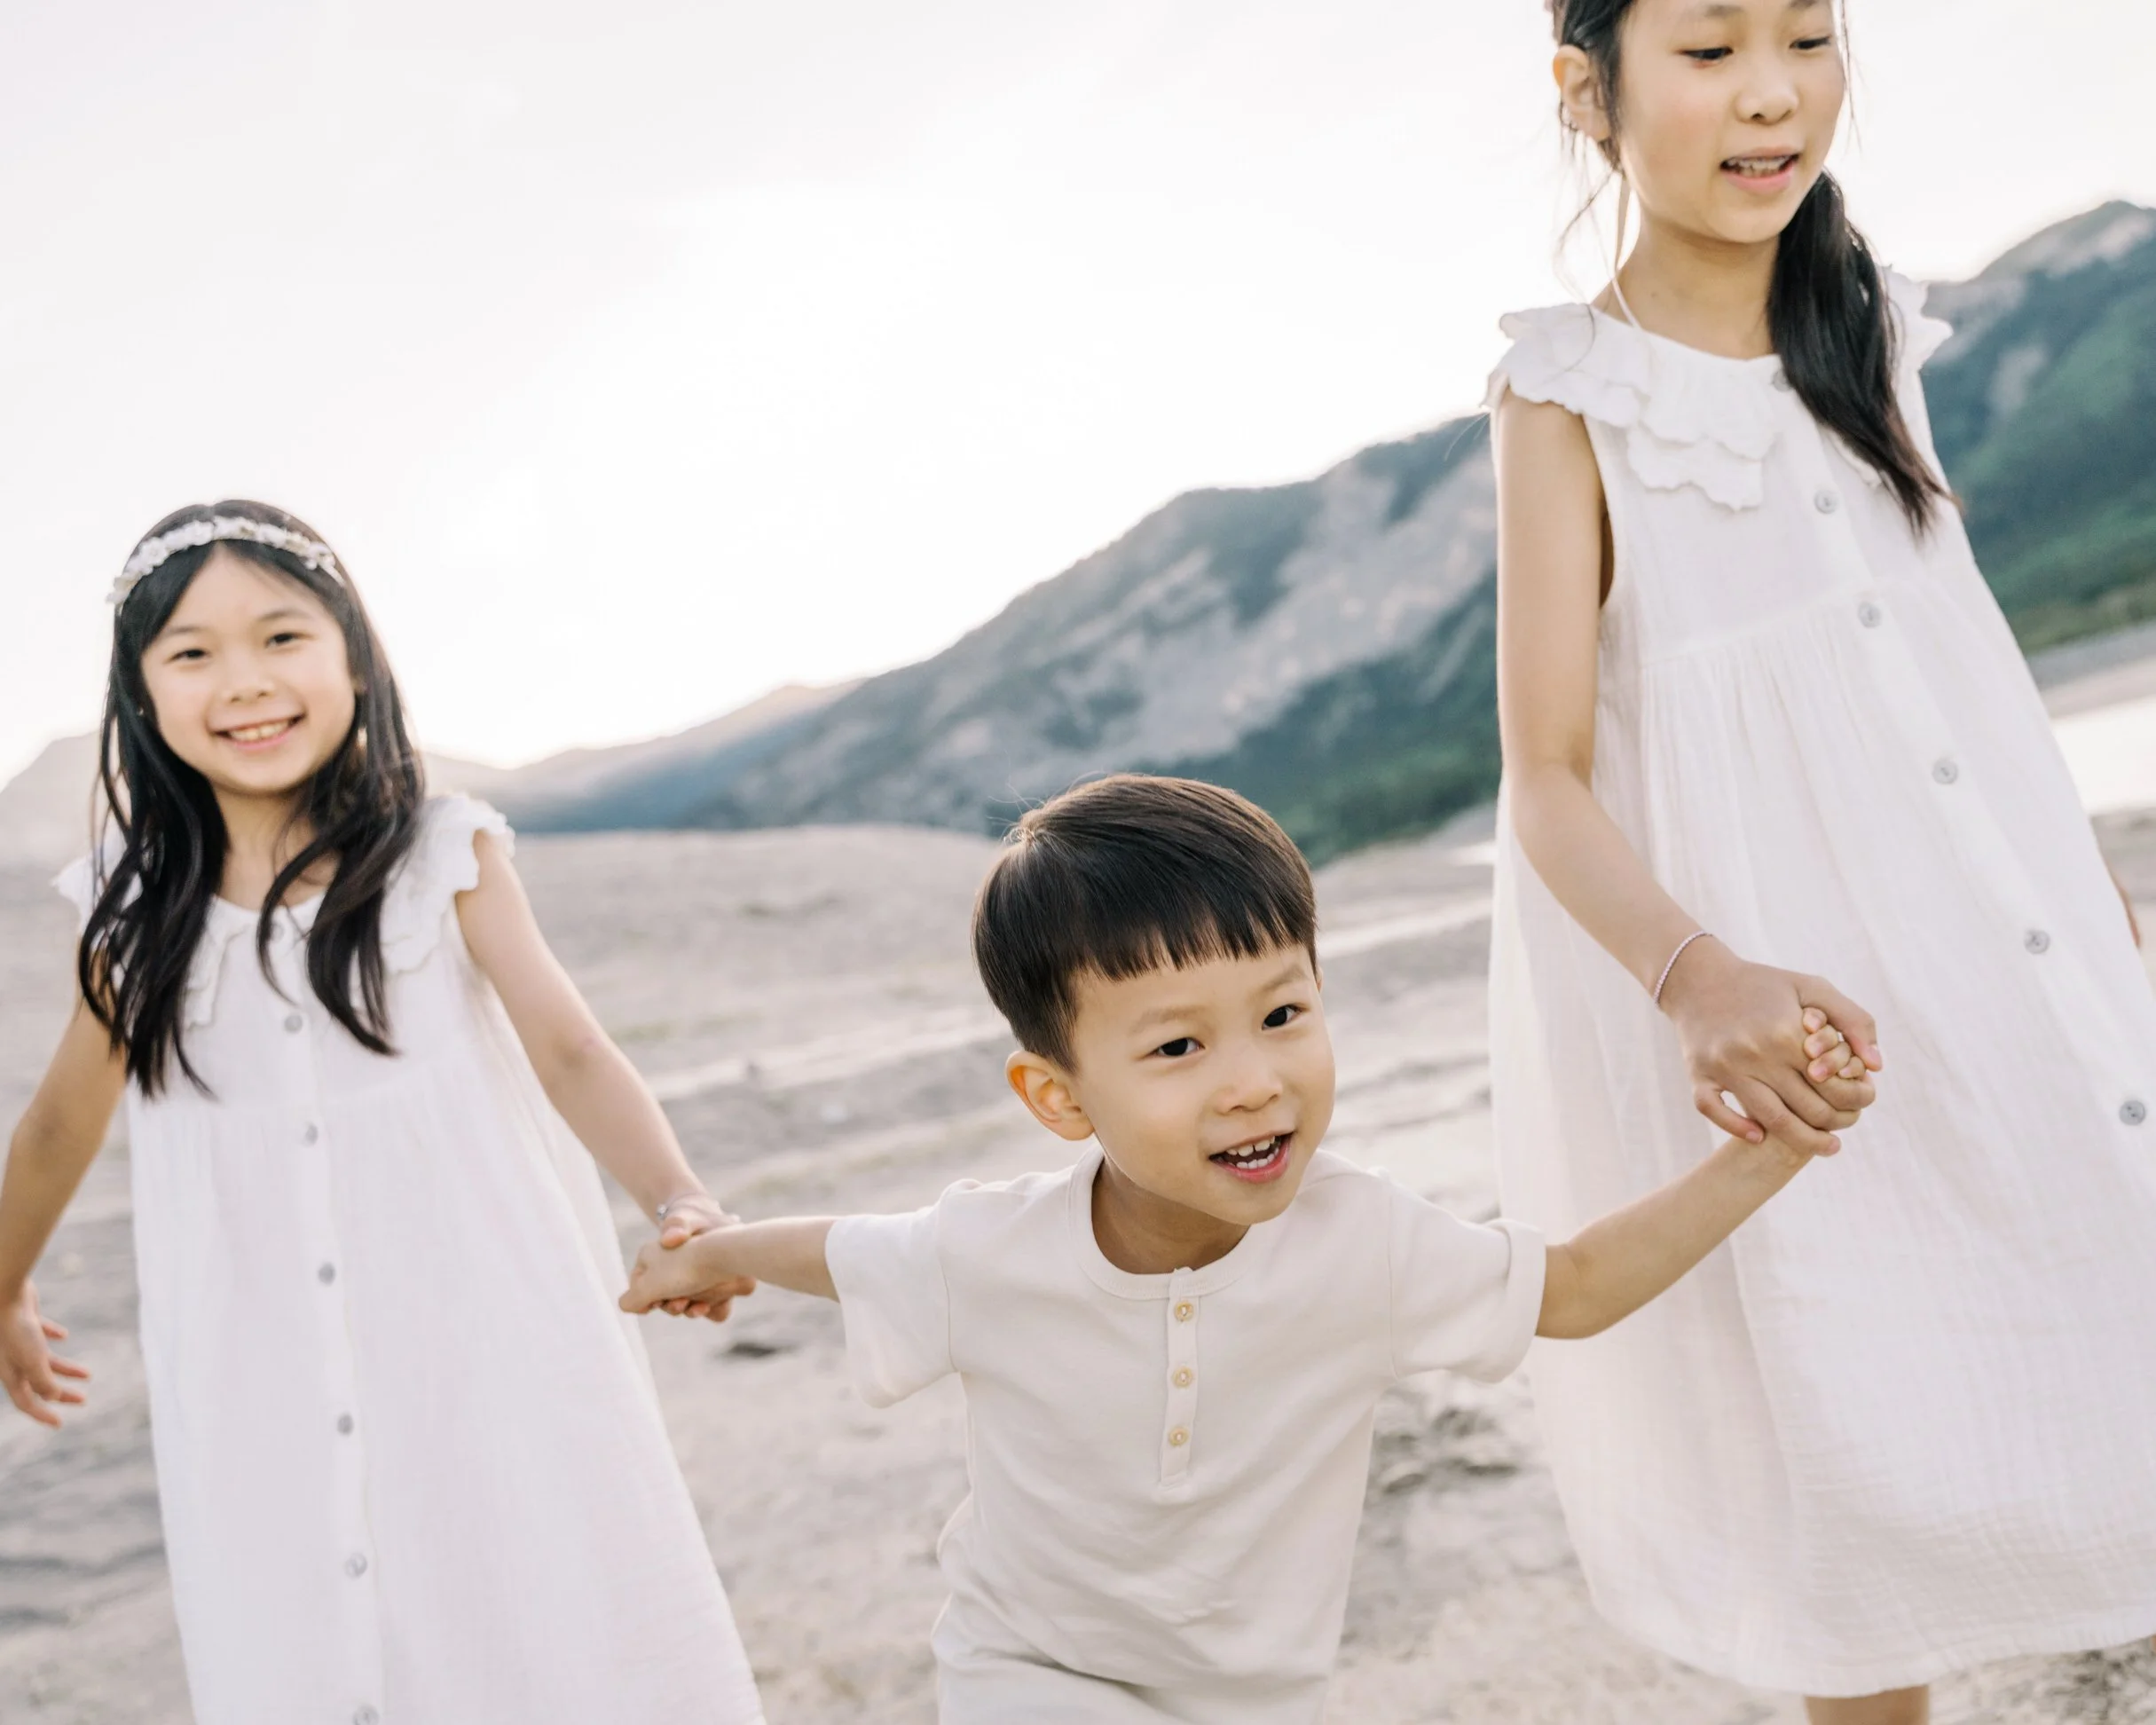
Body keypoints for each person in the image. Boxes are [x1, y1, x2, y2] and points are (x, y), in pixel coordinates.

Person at [619, 773, 1875, 1723]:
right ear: (1059, 1098)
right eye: (1177, 1046)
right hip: (1029, 1671)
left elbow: (1579, 1286)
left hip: (1254, 1697)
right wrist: (713, 1253)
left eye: (1281, 1013)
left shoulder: (1367, 1241)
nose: (1252, 1081)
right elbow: (843, 1252)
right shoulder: (987, 1248)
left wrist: (1766, 1150)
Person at [1485, 4, 2156, 1720]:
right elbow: (1544, 777)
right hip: (1779, 1004)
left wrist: (2073, 883)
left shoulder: (1873, 331)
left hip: (1990, 946)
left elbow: (1953, 656)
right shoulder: (1568, 396)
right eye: (1709, 50)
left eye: (1805, 35)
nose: (1772, 92)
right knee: (1846, 1438)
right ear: (1586, 92)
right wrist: (1693, 976)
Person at [0, 503, 766, 1725]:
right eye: (192, 652)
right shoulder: (132, 912)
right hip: (254, 1357)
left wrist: (678, 1198)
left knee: (540, 1599)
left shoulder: (439, 854)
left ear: (355, 657)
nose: (245, 681)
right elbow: (57, 1122)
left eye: (281, 636)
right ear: (140, 696)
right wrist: (4, 1283)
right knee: (301, 1624)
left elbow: (570, 1047)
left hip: (480, 1321)